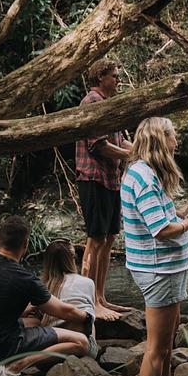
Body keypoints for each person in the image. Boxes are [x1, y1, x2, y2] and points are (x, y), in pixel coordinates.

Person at [121, 116, 188, 376]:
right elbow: (160, 230)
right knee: (155, 347)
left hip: (164, 268)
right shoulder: (143, 176)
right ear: (161, 139)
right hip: (158, 269)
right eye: (174, 135)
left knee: (169, 333)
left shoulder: (146, 172)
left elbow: (160, 216)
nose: (178, 140)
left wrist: (181, 213)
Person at [0, 215, 91, 376]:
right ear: (26, 244)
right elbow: (64, 312)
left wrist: (26, 309)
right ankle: (19, 364)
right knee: (81, 342)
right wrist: (85, 316)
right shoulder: (23, 278)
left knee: (34, 322)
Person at [75, 58, 133, 321]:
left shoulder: (109, 105)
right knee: (95, 239)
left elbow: (122, 142)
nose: (118, 80)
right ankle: (88, 302)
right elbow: (100, 146)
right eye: (114, 76)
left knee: (109, 239)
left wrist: (142, 150)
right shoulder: (91, 103)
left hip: (111, 180)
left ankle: (100, 296)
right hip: (93, 178)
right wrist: (130, 156)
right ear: (100, 77)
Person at [24, 239, 98, 357]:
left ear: (47, 261)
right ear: (72, 259)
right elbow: (89, 313)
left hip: (49, 347)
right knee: (89, 321)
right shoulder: (88, 282)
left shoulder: (40, 285)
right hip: (82, 350)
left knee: (35, 320)